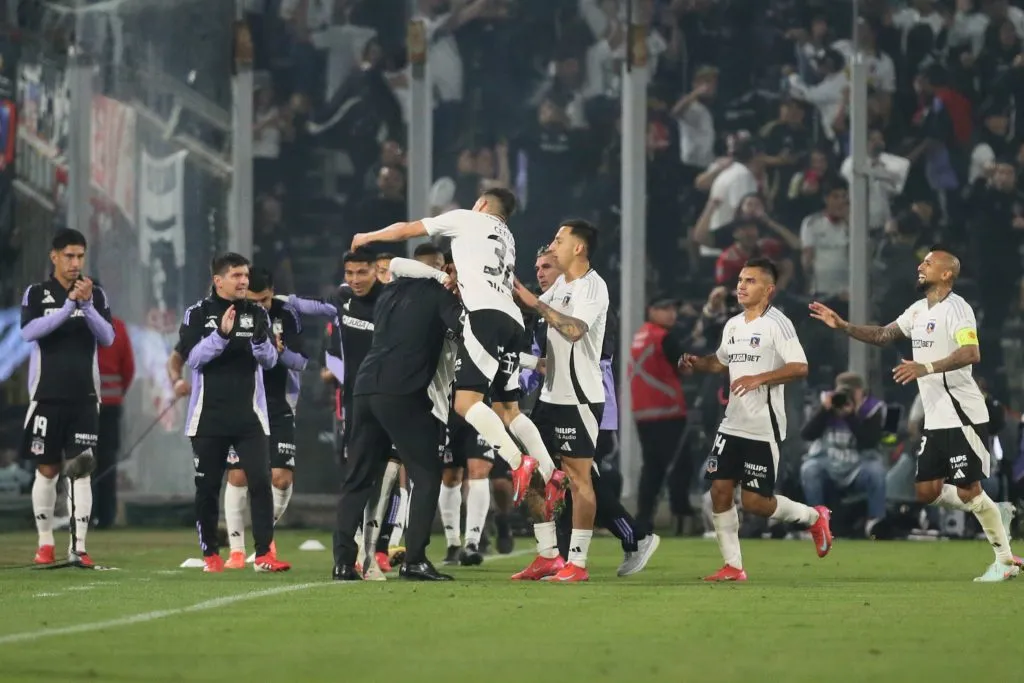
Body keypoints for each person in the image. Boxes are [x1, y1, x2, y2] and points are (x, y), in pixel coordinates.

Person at [809, 246, 1021, 581]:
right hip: (936, 419)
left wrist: (927, 366)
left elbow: (971, 352)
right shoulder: (918, 311)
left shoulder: (958, 308)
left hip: (962, 413)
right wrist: (843, 325)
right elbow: (882, 334)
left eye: (928, 263)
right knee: (926, 492)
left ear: (947, 273)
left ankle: (1005, 561)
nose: (920, 266)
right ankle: (993, 509)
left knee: (968, 491)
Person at [350, 188, 564, 512]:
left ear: (480, 204)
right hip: (512, 321)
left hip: (484, 317)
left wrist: (367, 236)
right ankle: (552, 472)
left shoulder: (468, 219)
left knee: (466, 403)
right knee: (510, 410)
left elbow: (407, 229)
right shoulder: (508, 237)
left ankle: (519, 462)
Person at [681, 257, 832, 582]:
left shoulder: (778, 324)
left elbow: (800, 367)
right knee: (719, 491)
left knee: (755, 502)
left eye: (750, 281)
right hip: (732, 423)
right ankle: (733, 566)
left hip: (763, 426)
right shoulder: (734, 325)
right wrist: (697, 362)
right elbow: (721, 362)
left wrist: (759, 378)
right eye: (740, 280)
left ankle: (812, 517)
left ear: (769, 289)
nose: (741, 285)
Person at [332, 262, 463, 582]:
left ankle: (343, 563)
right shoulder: (441, 296)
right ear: (448, 271)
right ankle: (415, 560)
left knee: (358, 477)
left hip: (364, 390)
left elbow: (395, 265)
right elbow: (463, 331)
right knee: (428, 473)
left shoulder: (390, 292)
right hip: (402, 392)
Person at [509, 219, 613, 582]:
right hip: (550, 397)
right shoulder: (562, 286)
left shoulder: (592, 287)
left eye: (559, 239)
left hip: (579, 398)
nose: (553, 245)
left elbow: (572, 331)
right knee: (534, 472)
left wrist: (534, 302)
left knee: (578, 477)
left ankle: (578, 563)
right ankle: (548, 555)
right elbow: (528, 307)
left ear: (578, 247)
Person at [177, 252, 290, 573]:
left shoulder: (257, 313)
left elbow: (269, 361)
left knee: (259, 481)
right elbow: (194, 359)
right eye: (237, 276)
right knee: (208, 487)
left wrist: (259, 341)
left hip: (250, 416)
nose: (244, 281)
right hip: (207, 416)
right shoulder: (196, 314)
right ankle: (211, 555)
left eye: (245, 275)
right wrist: (221, 335)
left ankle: (265, 553)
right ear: (218, 280)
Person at [21, 228, 115, 567]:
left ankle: (79, 546)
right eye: (70, 256)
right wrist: (68, 307)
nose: (75, 263)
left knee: (81, 469)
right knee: (46, 469)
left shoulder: (96, 294)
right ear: (55, 257)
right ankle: (45, 542)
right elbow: (30, 332)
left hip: (85, 397)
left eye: (80, 256)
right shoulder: (37, 294)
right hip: (46, 396)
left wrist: (86, 305)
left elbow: (107, 338)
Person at [220, 267, 307, 568]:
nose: (261, 307)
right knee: (238, 474)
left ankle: (262, 535)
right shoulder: (232, 312)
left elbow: (302, 360)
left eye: (266, 300)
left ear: (273, 293)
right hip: (243, 402)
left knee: (281, 479)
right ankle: (235, 551)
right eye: (255, 301)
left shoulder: (288, 313)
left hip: (279, 402)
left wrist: (279, 353)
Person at [94, 311, 135, 529]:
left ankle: (85, 515)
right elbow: (128, 367)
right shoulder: (117, 326)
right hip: (111, 404)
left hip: (84, 405)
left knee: (83, 459)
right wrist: (117, 393)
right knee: (107, 461)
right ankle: (106, 516)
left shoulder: (79, 324)